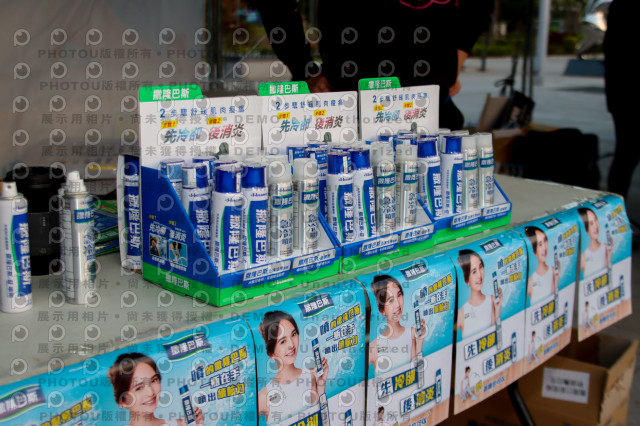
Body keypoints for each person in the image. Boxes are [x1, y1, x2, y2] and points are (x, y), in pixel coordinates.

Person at [254, 0, 493, 129]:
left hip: (433, 112)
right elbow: (275, 6)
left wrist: (456, 60)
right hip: (351, 114)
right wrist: (303, 67)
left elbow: (479, 7)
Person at [258, 311, 329, 425]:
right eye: (283, 341)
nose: (291, 345)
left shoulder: (312, 374)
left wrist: (321, 385)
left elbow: (323, 420)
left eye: (293, 334)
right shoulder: (263, 396)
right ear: (271, 354)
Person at [108, 352, 204, 426]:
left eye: (153, 380)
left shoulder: (179, 424)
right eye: (139, 388)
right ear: (122, 402)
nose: (150, 392)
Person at [605, 0, 639, 200]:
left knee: (625, 156)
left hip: (622, 97)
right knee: (626, 156)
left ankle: (614, 206)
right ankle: (614, 206)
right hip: (626, 98)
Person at [369, 274, 426, 373]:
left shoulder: (413, 333)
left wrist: (419, 341)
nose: (397, 304)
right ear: (382, 310)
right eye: (390, 300)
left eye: (399, 295)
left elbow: (418, 374)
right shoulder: (373, 347)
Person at [457, 249, 502, 339]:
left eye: (480, 267)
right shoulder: (461, 313)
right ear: (466, 280)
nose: (479, 275)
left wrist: (497, 310)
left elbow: (496, 338)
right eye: (474, 272)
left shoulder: (493, 300)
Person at [525, 226, 559, 305]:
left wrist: (556, 280)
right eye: (540, 244)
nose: (544, 248)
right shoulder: (530, 281)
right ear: (533, 250)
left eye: (545, 241)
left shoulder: (554, 271)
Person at [578, 207, 611, 278]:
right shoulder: (583, 256)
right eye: (591, 223)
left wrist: (609, 255)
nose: (596, 226)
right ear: (586, 229)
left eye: (595, 220)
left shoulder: (606, 247)